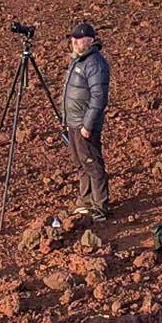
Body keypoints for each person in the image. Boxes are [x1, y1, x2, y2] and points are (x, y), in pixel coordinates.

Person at [61, 21, 111, 220]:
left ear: (89, 41)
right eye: (73, 38)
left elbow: (99, 97)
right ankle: (86, 200)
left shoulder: (95, 63)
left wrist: (87, 125)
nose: (74, 41)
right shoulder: (79, 60)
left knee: (92, 163)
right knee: (80, 163)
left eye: (78, 39)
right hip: (74, 122)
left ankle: (100, 206)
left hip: (84, 124)